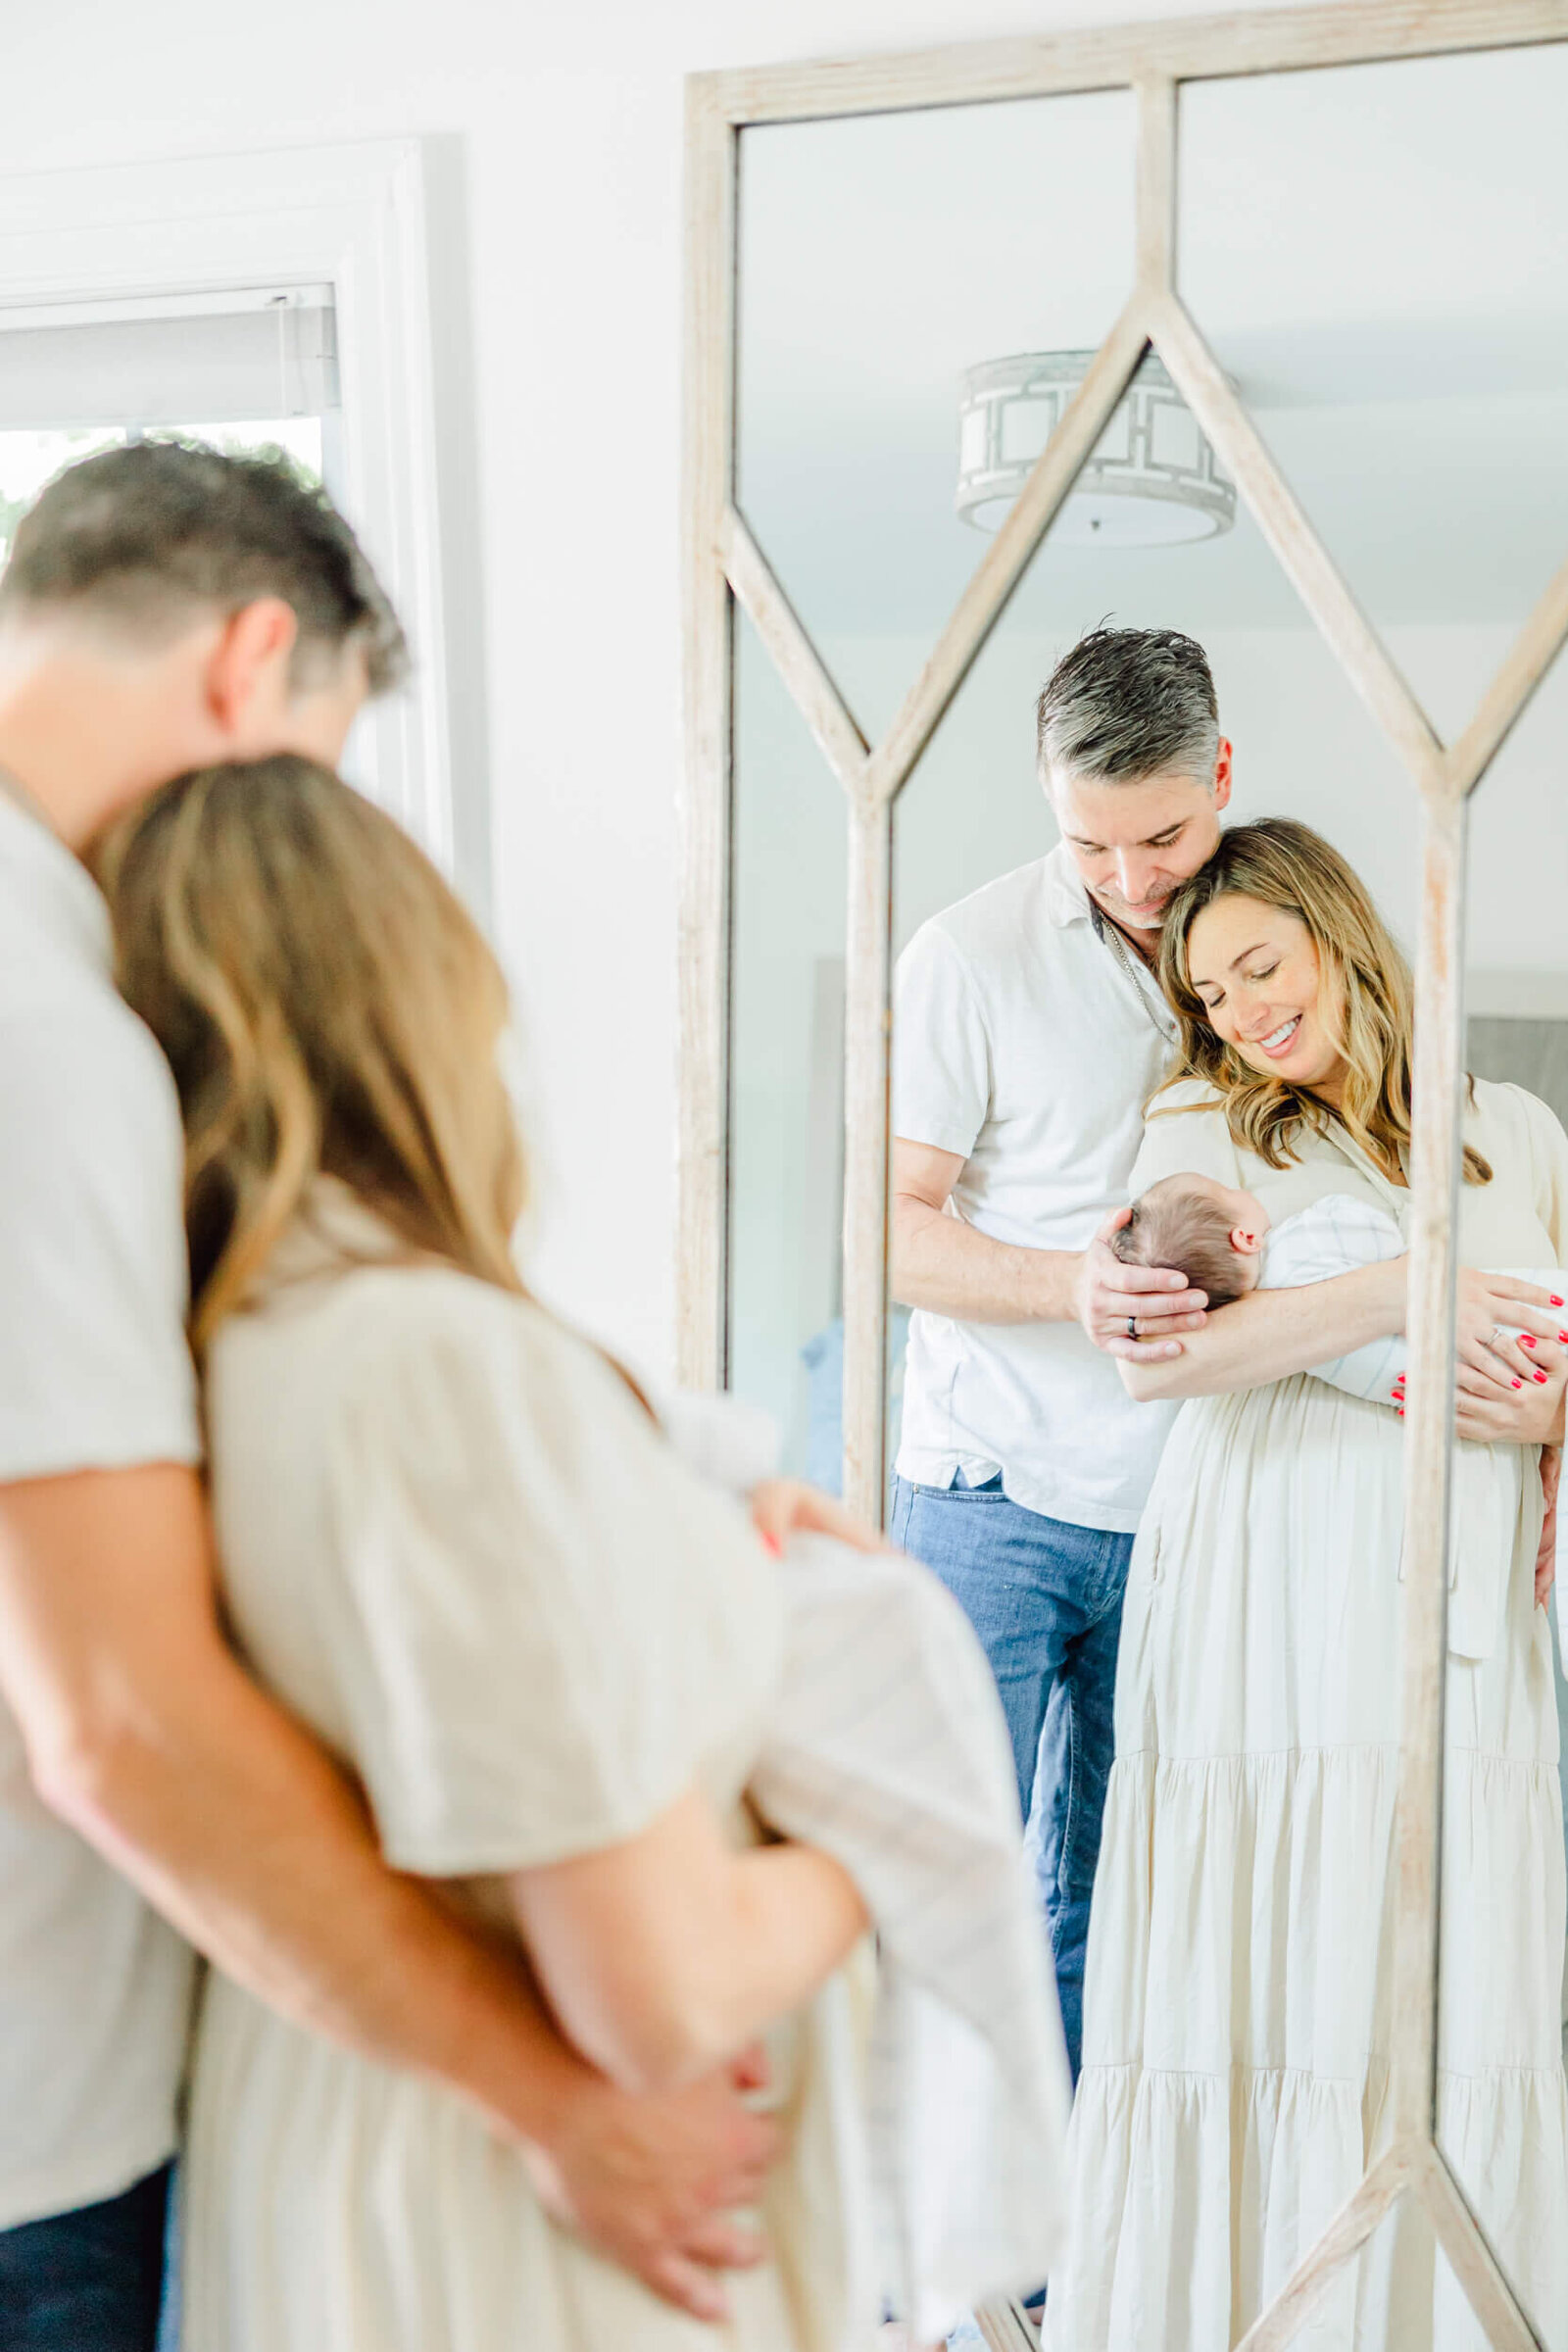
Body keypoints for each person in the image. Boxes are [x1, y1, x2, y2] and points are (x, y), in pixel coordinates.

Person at [0, 442, 777, 2351]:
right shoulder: (39, 1024)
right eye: (325, 763)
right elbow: (111, 1718)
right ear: (258, 661)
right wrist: (556, 2101)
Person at [88, 751, 968, 2352]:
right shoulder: (433, 1371)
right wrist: (892, 1823)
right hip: (525, 2236)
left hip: (361, 2162)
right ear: (416, 1001)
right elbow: (667, 1989)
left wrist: (693, 1547)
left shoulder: (223, 1359)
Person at [1046, 819, 1568, 2349]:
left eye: (1260, 965)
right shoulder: (1203, 1120)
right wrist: (1405, 1290)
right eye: (1211, 994)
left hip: (1461, 1600)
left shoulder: (1519, 1131)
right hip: (1271, 1594)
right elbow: (1167, 1360)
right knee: (1272, 1968)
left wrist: (1534, 1402)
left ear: (1339, 933)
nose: (1245, 1013)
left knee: (1442, 1980)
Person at [889, 625, 1229, 2077]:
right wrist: (1065, 1287)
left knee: (1110, 1897)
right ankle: (938, 2281)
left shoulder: (1280, 949)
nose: (1133, 879)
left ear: (1223, 772)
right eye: (1091, 845)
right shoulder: (966, 955)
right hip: (986, 1500)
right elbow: (884, 1233)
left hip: (1190, 1511)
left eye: (1162, 834)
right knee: (939, 1891)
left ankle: (1060, 2273)